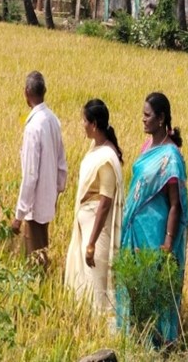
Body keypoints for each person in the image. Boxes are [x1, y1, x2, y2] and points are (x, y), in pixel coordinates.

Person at [118, 92, 188, 346]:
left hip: (156, 233)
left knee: (154, 286)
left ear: (161, 119)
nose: (143, 120)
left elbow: (175, 204)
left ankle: (157, 344)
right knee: (136, 285)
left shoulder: (171, 157)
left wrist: (169, 241)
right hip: (136, 230)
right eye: (143, 114)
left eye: (147, 115)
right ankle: (137, 338)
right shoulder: (147, 148)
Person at [65, 99, 124, 318]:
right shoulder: (96, 149)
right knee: (85, 283)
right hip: (86, 226)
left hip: (98, 233)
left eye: (85, 120)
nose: (82, 124)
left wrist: (91, 243)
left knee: (97, 286)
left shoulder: (106, 158)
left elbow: (106, 202)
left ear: (94, 124)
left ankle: (100, 334)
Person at [11, 71, 67, 267]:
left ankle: (39, 288)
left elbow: (30, 175)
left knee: (34, 258)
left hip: (34, 206)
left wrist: (19, 215)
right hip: (47, 200)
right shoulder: (53, 120)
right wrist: (56, 192)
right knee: (43, 248)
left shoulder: (33, 126)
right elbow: (62, 163)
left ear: (26, 92)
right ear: (44, 91)